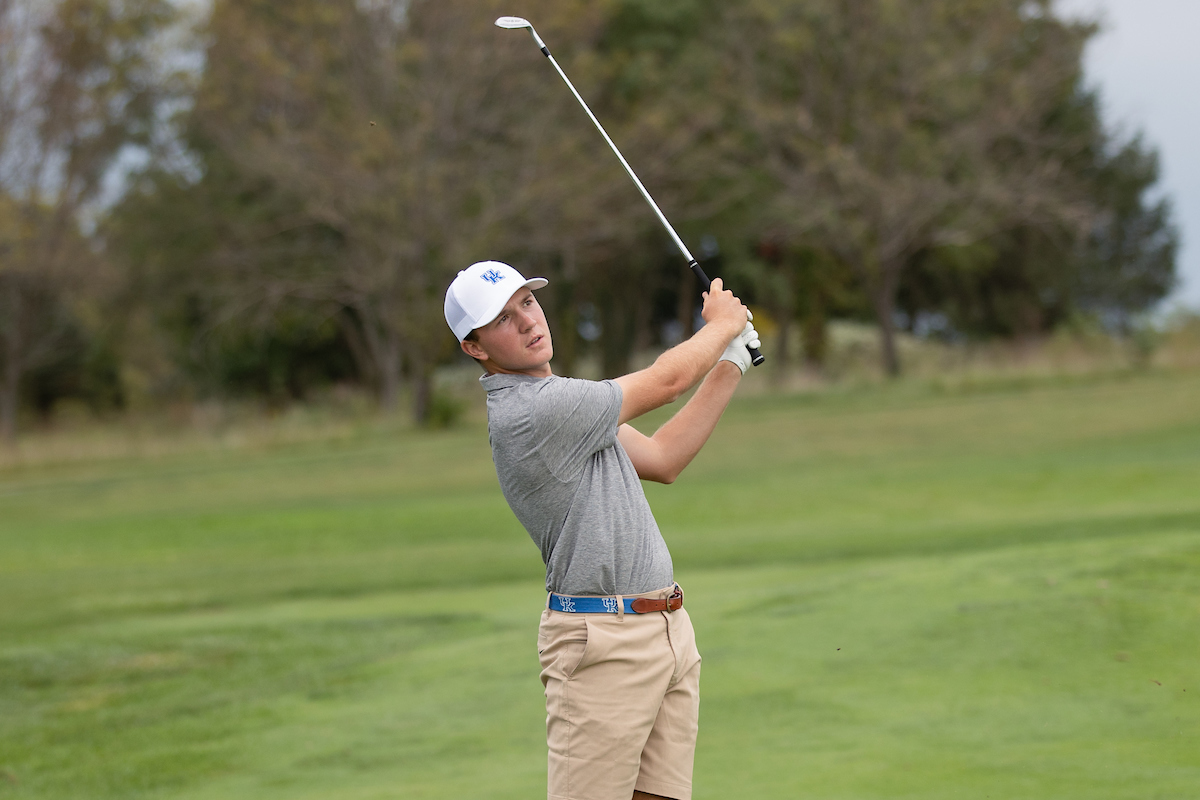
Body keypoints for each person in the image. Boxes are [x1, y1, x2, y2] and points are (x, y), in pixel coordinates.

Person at [443, 260, 759, 800]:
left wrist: (731, 361)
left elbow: (663, 458)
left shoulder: (567, 402)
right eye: (502, 319)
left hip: (666, 629)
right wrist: (721, 326)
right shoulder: (536, 411)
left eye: (527, 302)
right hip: (602, 644)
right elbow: (667, 382)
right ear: (475, 347)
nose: (527, 321)